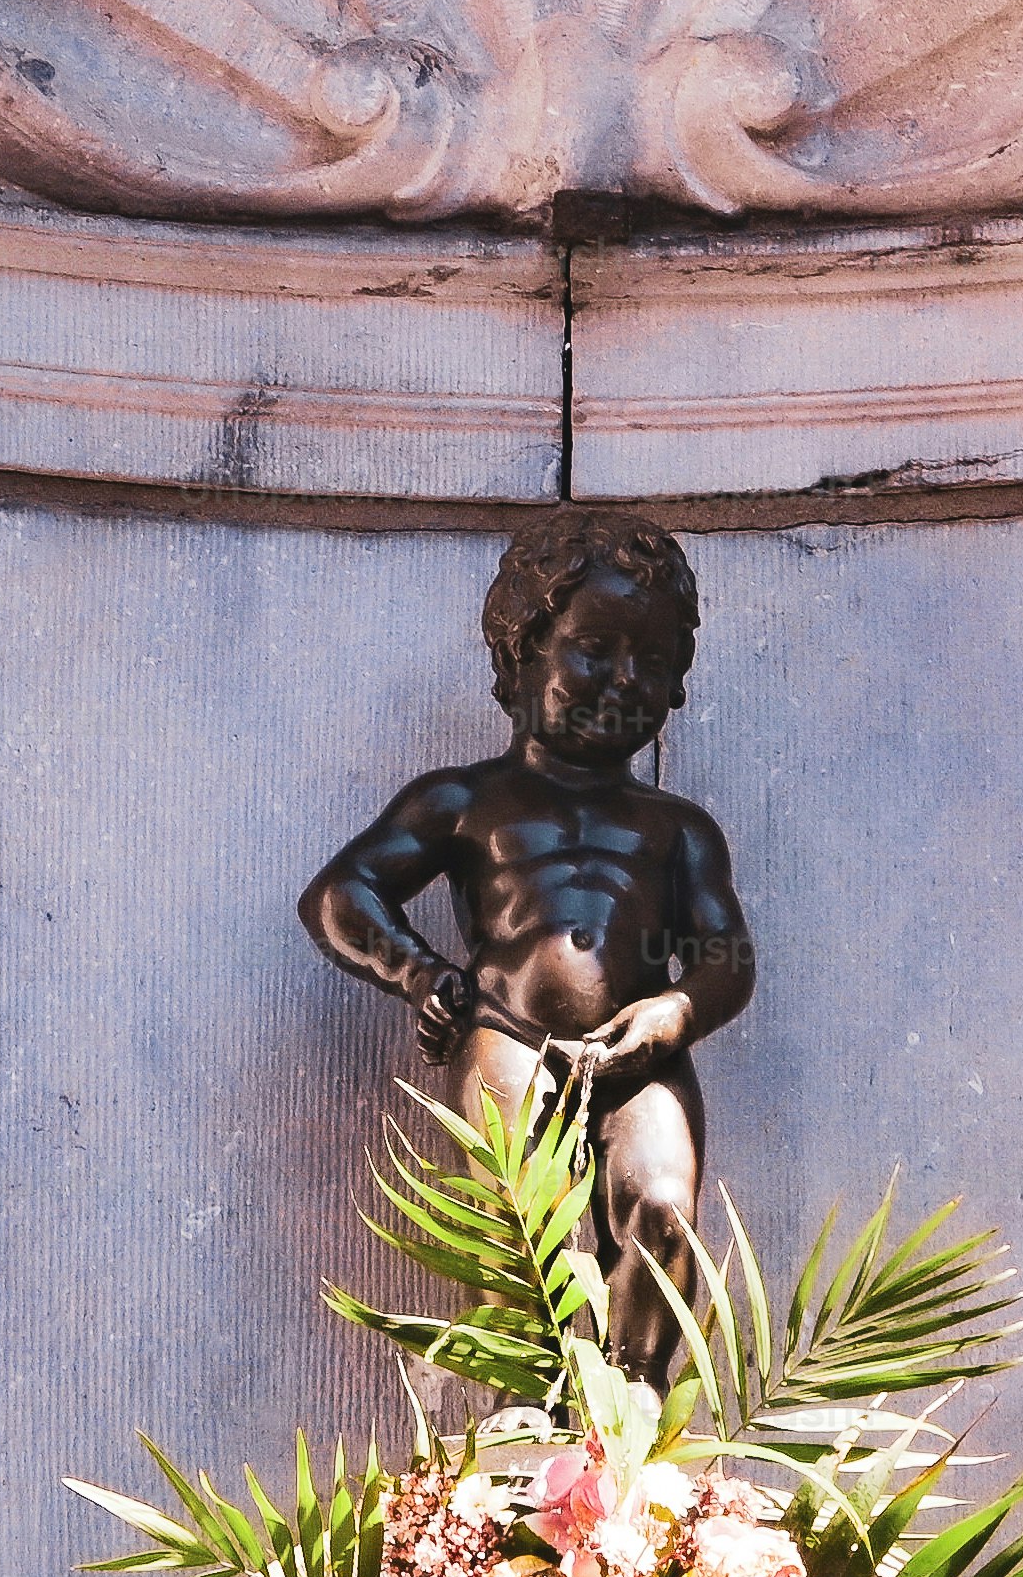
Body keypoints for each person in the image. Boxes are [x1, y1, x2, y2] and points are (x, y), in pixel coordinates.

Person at [300, 513, 754, 1373]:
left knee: (661, 1208)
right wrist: (417, 973)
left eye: (652, 662)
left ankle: (632, 1418)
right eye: (594, 649)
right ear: (522, 652)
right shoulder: (464, 801)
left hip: (641, 1051)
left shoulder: (678, 828)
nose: (625, 679)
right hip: (507, 1032)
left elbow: (726, 952)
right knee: (517, 1212)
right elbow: (342, 894)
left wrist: (675, 1012)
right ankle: (522, 1406)